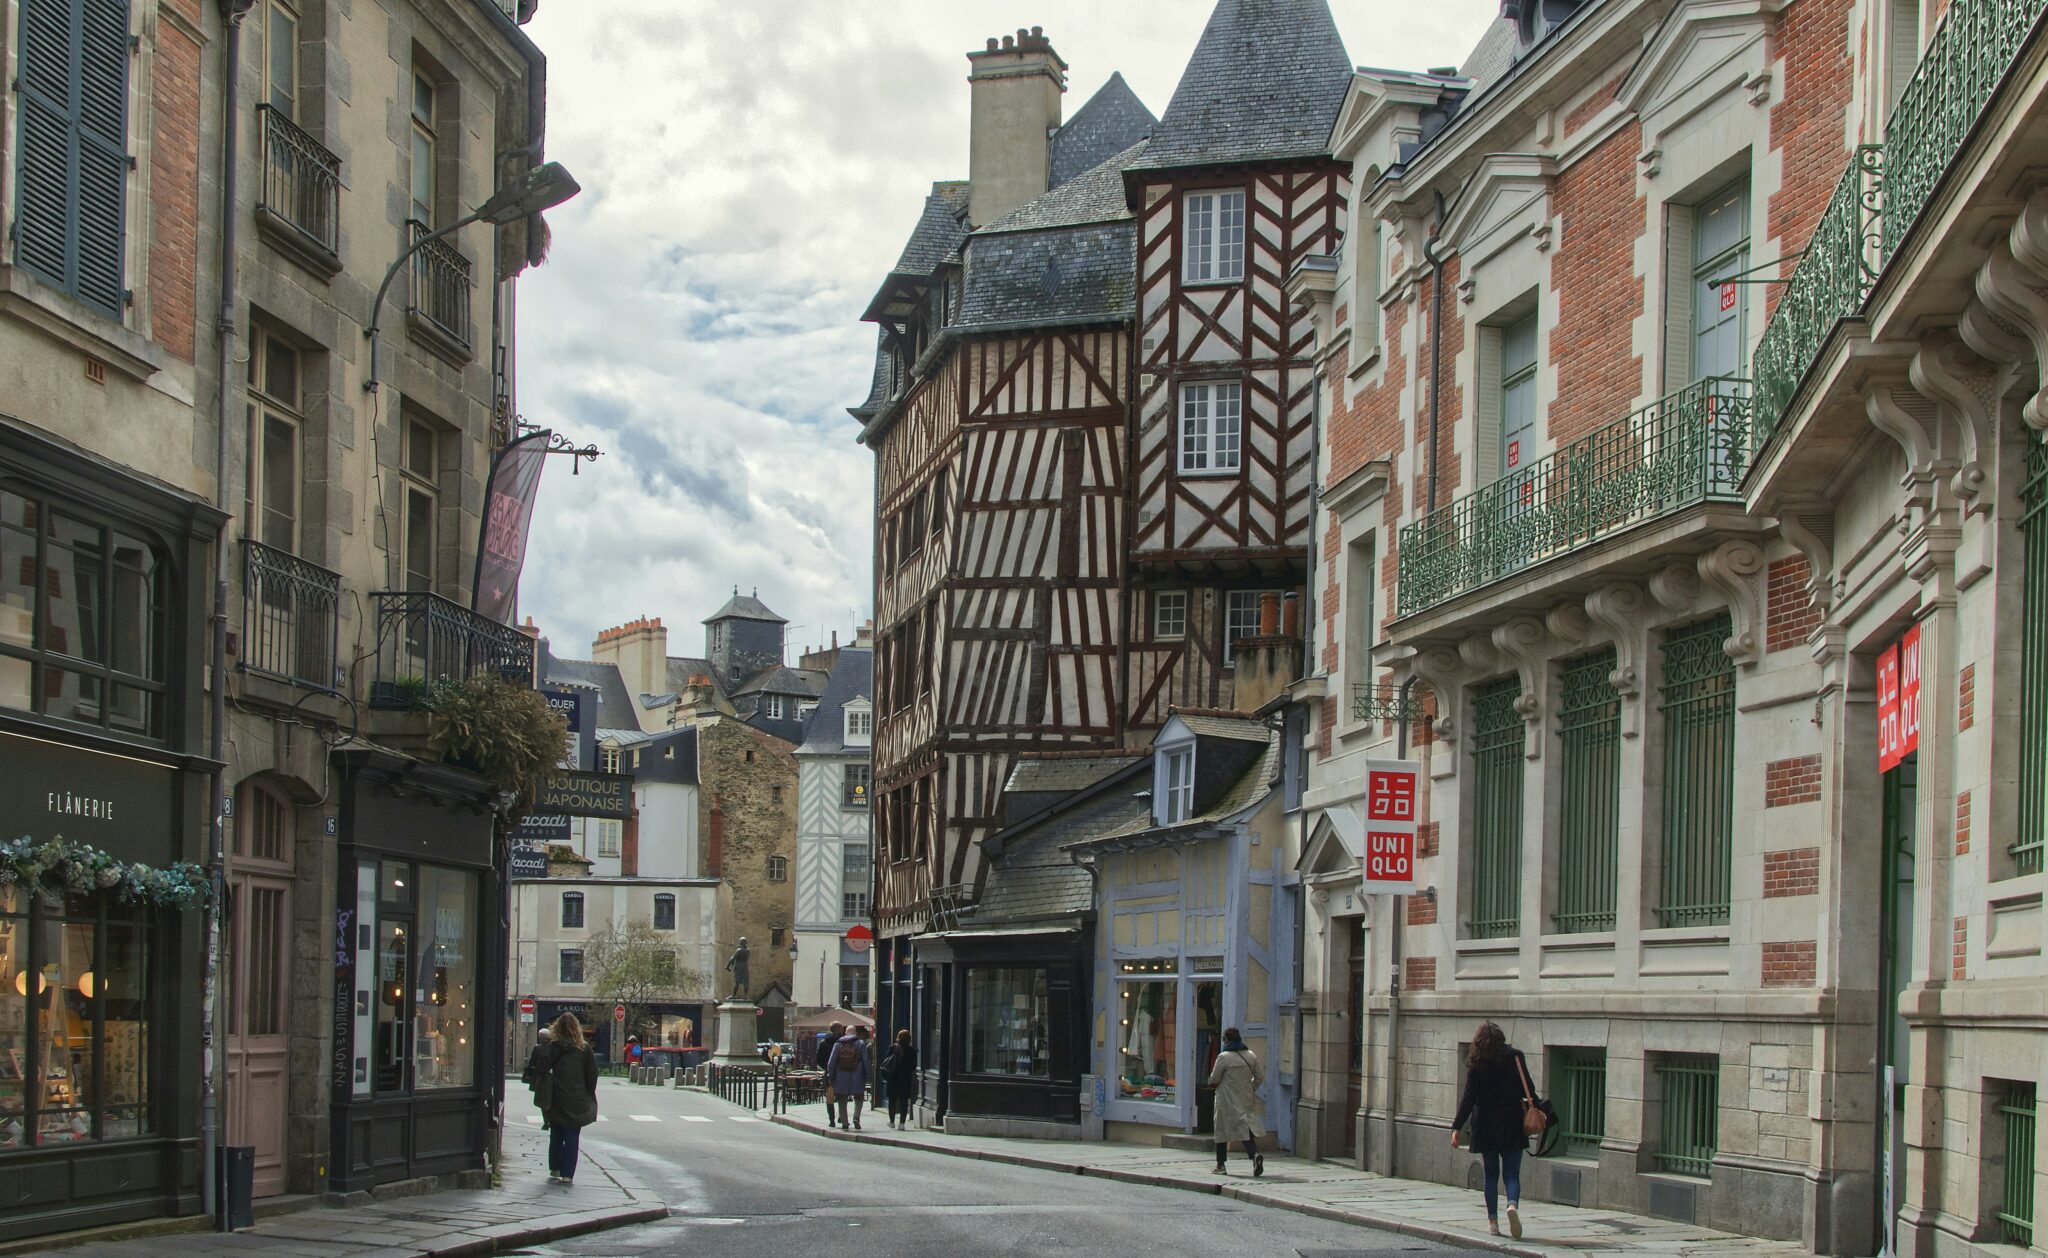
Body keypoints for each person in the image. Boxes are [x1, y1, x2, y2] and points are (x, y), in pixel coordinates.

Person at [1451, 1020, 1533, 1238]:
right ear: (1501, 1038)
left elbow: (1468, 1098)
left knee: (1490, 1175)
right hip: (1513, 1123)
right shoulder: (1516, 1057)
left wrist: (1457, 1127)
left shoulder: (1477, 1062)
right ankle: (1512, 1205)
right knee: (1512, 1174)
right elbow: (1529, 1091)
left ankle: (1493, 1223)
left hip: (1486, 1125)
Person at [535, 1013, 599, 1185]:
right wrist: (588, 1092)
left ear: (557, 1028)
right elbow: (592, 1074)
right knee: (572, 1136)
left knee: (556, 1133)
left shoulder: (552, 1047)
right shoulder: (584, 1049)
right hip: (577, 1098)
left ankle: (555, 1167)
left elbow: (540, 1069)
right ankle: (568, 1174)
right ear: (577, 1028)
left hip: (556, 1096)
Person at [1205, 1026, 1265, 1177]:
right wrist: (1250, 1088)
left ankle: (1221, 1164)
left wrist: (1209, 1080)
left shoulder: (1224, 1057)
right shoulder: (1251, 1055)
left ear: (1226, 1040)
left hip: (1226, 1098)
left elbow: (1215, 1079)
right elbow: (1259, 1076)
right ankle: (1254, 1155)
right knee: (1245, 1128)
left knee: (1221, 1130)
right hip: (1244, 1097)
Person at [824, 1023, 872, 1130]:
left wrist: (830, 1075)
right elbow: (866, 1060)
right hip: (857, 1073)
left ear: (845, 1033)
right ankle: (856, 1117)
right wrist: (868, 1075)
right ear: (855, 1033)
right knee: (859, 1097)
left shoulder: (838, 1044)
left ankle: (845, 1123)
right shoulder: (860, 1043)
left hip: (841, 1073)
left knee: (842, 1098)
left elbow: (831, 1062)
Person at [882, 1029, 917, 1129]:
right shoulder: (912, 1050)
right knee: (904, 1102)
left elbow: (886, 1062)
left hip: (893, 1078)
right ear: (909, 1039)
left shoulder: (893, 1048)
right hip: (905, 1079)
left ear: (898, 1037)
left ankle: (892, 1121)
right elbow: (913, 1066)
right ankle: (902, 1123)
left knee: (892, 1101)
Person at [816, 1021, 846, 1125]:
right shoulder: (844, 1042)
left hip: (829, 1073)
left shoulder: (824, 1042)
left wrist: (826, 1067)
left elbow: (818, 1059)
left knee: (830, 1097)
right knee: (842, 1096)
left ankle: (831, 1120)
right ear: (839, 1030)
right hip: (842, 1072)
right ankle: (842, 1116)